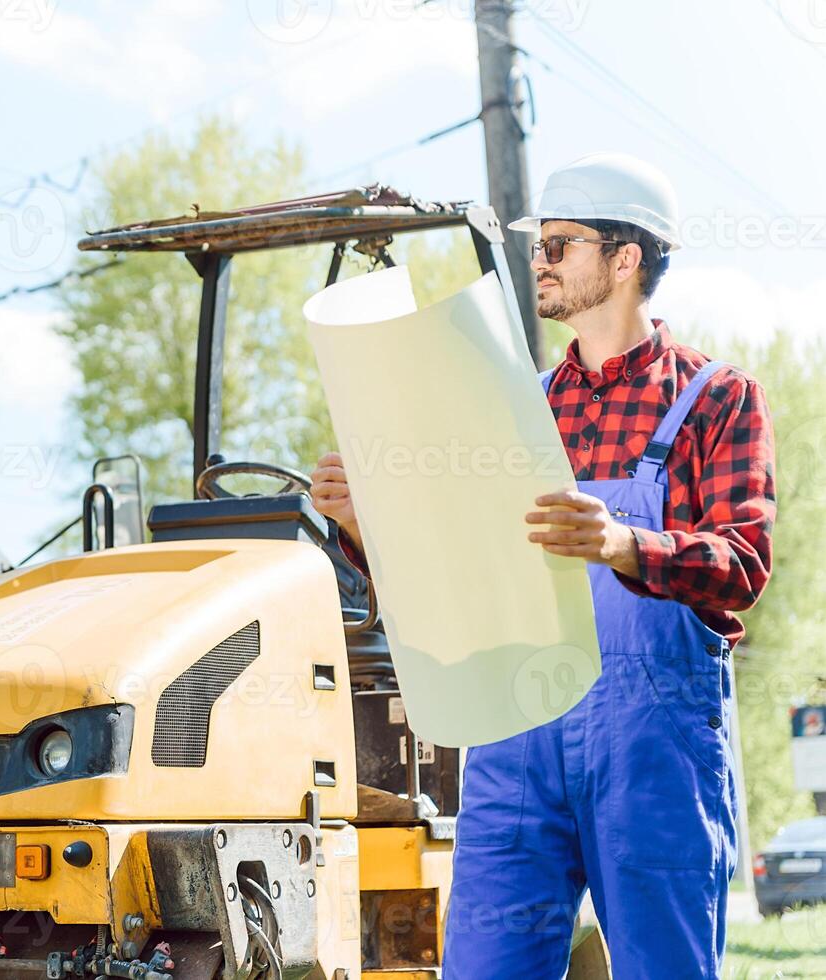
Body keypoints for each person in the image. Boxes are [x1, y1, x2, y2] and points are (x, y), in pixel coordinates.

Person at [309, 152, 775, 978]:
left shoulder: (717, 398)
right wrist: (364, 526)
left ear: (625, 258)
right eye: (536, 247)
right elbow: (449, 577)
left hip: (653, 748)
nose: (539, 263)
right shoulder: (516, 402)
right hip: (515, 738)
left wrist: (624, 544)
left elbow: (741, 562)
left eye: (558, 245)